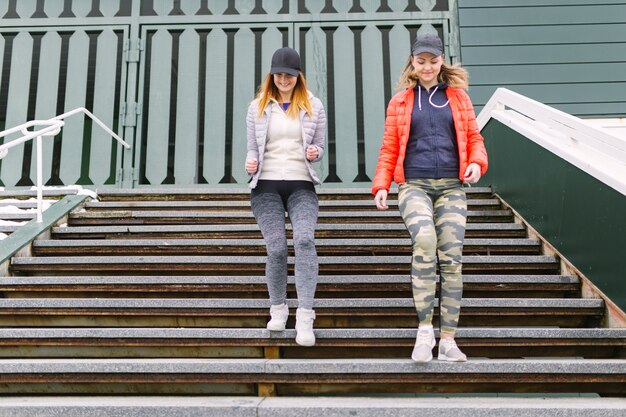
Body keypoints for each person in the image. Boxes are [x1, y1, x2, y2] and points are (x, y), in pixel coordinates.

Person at [372, 32, 488, 362]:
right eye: (420, 61)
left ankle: (448, 339)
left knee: (451, 258)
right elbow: (389, 147)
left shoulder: (458, 98)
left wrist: (478, 164)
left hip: (452, 186)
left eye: (433, 61)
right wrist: (382, 184)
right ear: (412, 61)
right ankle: (425, 333)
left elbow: (475, 138)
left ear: (441, 61)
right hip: (414, 185)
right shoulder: (401, 101)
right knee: (425, 241)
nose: (427, 66)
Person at [245, 47, 326, 347]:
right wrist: (249, 162)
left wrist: (315, 152)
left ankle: (305, 316)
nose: (283, 79)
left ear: (298, 76)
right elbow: (253, 148)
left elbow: (319, 146)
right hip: (265, 186)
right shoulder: (257, 107)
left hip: (301, 184)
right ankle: (278, 309)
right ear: (271, 76)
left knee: (304, 239)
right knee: (277, 248)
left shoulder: (313, 105)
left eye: (289, 75)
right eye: (278, 74)